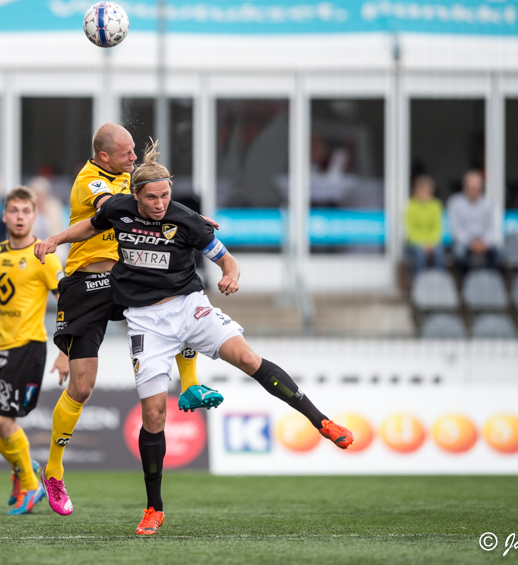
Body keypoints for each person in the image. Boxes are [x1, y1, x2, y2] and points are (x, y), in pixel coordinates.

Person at [35, 142, 353, 536]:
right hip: (147, 323)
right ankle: (154, 508)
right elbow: (92, 225)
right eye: (152, 197)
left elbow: (225, 257)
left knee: (248, 359)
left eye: (166, 195)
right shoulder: (118, 209)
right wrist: (55, 240)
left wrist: (231, 275)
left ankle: (322, 422)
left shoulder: (187, 220)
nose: (160, 203)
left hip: (189, 307)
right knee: (153, 415)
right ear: (134, 196)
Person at [38, 123, 222, 518]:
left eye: (135, 151)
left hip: (126, 277)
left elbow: (150, 201)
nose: (135, 158)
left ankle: (189, 383)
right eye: (127, 153)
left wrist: (186, 217)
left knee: (179, 297)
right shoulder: (91, 181)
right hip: (88, 282)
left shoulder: (128, 178)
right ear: (103, 156)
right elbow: (112, 209)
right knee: (82, 386)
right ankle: (53, 469)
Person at [0, 186, 68, 515]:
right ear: (4, 215)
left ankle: (31, 487)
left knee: (3, 419)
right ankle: (24, 467)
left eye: (26, 212)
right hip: (0, 345)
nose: (19, 217)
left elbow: (67, 303)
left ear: (34, 217)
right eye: (14, 211)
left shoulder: (44, 255)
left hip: (28, 347)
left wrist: (65, 351)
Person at [448, 170, 499, 272]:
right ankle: (467, 281)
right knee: (459, 253)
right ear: (465, 188)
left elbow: (492, 228)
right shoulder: (455, 203)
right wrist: (471, 243)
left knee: (499, 252)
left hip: (483, 241)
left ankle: (488, 278)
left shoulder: (488, 204)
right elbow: (456, 229)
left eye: (477, 189)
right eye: (472, 188)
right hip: (465, 242)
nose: (475, 191)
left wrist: (484, 242)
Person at [405, 175, 445, 273]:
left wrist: (430, 243)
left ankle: (438, 280)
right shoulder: (411, 206)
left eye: (428, 191)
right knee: (419, 254)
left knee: (439, 253)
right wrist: (422, 244)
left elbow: (437, 228)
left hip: (432, 243)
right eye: (424, 191)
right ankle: (418, 281)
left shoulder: (436, 205)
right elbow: (410, 230)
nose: (426, 194)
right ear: (417, 191)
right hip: (415, 243)